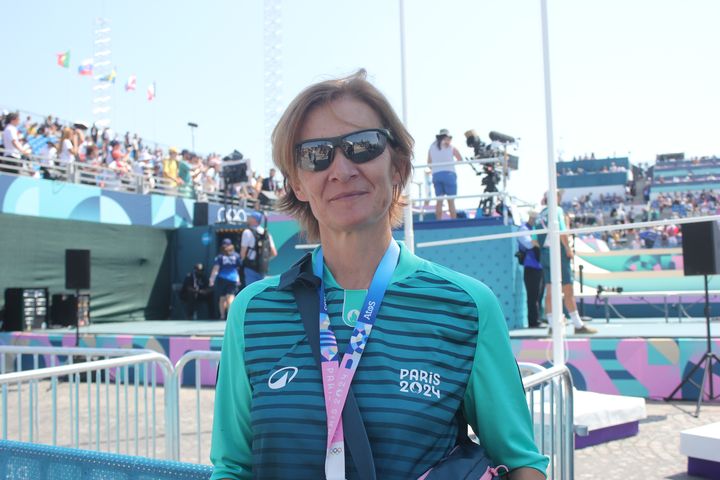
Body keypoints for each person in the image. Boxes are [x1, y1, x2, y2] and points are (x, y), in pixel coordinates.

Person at [210, 70, 547, 479]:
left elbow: (522, 464)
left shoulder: (467, 306)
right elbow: (232, 468)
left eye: (362, 146)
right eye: (316, 154)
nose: (341, 168)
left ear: (399, 167)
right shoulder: (253, 311)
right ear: (297, 182)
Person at [534, 191, 597, 335]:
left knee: (549, 290)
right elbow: (562, 232)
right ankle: (578, 325)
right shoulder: (557, 210)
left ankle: (552, 325)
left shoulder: (540, 215)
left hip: (545, 254)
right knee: (568, 289)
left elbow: (534, 241)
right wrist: (568, 249)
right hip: (558, 253)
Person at [517, 211, 546, 328]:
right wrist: (538, 242)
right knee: (532, 295)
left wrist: (537, 242)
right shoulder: (524, 229)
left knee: (539, 294)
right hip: (531, 267)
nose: (535, 219)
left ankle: (538, 318)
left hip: (539, 266)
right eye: (533, 217)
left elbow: (538, 243)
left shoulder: (535, 228)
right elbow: (530, 244)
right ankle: (533, 321)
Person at [427, 128, 462, 220]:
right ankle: (454, 221)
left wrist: (435, 168)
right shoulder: (450, 146)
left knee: (439, 200)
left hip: (436, 175)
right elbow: (460, 159)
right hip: (449, 174)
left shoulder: (432, 146)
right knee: (451, 201)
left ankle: (439, 221)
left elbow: (429, 162)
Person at [239, 211, 277, 286]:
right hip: (263, 268)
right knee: (260, 291)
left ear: (254, 220)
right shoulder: (267, 234)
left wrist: (242, 263)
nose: (247, 218)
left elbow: (243, 253)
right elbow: (274, 253)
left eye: (250, 217)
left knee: (250, 293)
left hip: (250, 268)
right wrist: (263, 259)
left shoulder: (247, 232)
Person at [209, 238, 242, 320]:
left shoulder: (220, 257)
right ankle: (230, 316)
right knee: (230, 297)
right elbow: (237, 269)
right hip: (233, 279)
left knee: (222, 298)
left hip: (222, 279)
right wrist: (238, 279)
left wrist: (211, 279)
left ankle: (222, 316)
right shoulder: (236, 256)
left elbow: (215, 269)